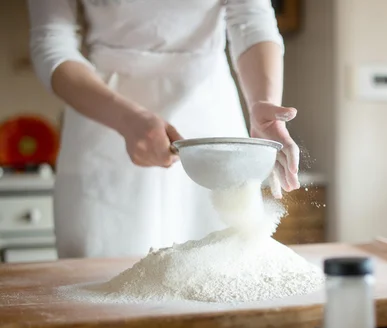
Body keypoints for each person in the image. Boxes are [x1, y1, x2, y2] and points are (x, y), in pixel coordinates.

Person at [27, 0, 301, 259]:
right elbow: (50, 40)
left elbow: (252, 19)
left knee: (219, 261)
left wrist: (264, 102)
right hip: (104, 112)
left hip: (208, 108)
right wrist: (125, 119)